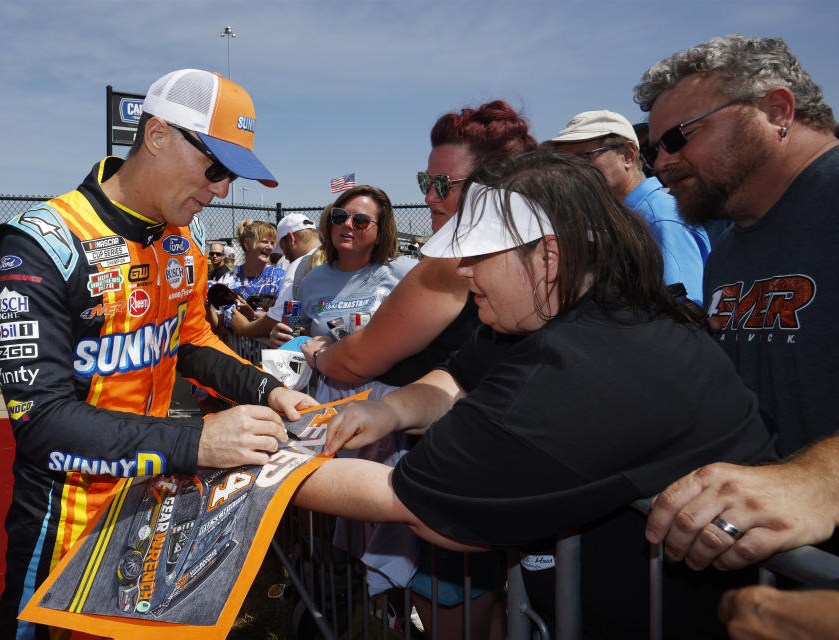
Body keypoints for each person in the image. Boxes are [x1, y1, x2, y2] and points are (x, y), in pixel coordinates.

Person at [293, 151, 776, 638]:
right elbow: (457, 377)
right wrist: (389, 411)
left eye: (480, 254)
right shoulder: (552, 312)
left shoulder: (579, 367)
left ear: (549, 257)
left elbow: (410, 504)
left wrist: (261, 471)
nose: (463, 269)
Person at [0, 69, 316, 640]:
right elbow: (41, 422)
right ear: (158, 135)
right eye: (215, 169)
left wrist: (270, 390)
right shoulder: (42, 240)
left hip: (151, 496)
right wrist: (199, 443)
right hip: (65, 515)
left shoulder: (183, 241)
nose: (222, 192)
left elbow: (190, 343)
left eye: (230, 176)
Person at [298, 101, 535, 637]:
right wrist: (393, 411)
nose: (428, 194)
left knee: (457, 615)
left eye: (443, 182)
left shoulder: (453, 260)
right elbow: (457, 375)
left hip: (463, 473)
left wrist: (319, 356)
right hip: (466, 456)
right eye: (425, 179)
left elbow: (360, 357)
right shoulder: (483, 256)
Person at [630, 36, 839, 588]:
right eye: (653, 149)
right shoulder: (729, 249)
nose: (663, 162)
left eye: (679, 137)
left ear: (776, 110)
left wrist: (823, 480)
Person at [546, 109, 711, 304]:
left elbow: (685, 309)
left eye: (584, 157)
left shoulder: (658, 216)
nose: (572, 170)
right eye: (566, 161)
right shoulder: (623, 217)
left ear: (627, 154)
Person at [298, 185, 417, 403]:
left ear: (380, 234)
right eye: (339, 216)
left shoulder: (406, 272)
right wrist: (288, 336)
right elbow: (300, 329)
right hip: (329, 402)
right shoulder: (312, 281)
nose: (347, 224)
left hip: (389, 405)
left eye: (360, 221)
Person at [232, 212, 322, 341]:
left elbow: (277, 319)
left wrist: (244, 328)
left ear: (291, 239)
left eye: (283, 248)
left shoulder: (299, 266)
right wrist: (257, 314)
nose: (284, 256)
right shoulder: (334, 255)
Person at [213, 219, 285, 332]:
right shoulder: (228, 279)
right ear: (247, 244)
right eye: (265, 242)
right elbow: (218, 323)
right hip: (232, 348)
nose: (270, 247)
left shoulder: (280, 278)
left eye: (272, 243)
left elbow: (288, 321)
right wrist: (207, 306)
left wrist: (254, 315)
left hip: (268, 348)